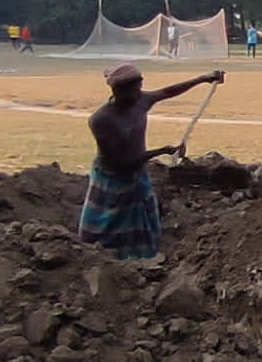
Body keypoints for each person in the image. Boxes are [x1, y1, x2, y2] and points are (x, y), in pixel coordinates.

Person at [79, 63, 224, 259]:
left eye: (139, 90)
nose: (137, 96)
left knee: (142, 221)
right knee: (106, 224)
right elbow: (120, 162)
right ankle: (97, 258)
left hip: (137, 175)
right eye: (132, 92)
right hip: (112, 179)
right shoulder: (101, 120)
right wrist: (162, 151)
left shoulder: (140, 100)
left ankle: (142, 259)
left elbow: (168, 91)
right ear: (116, 91)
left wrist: (203, 79)